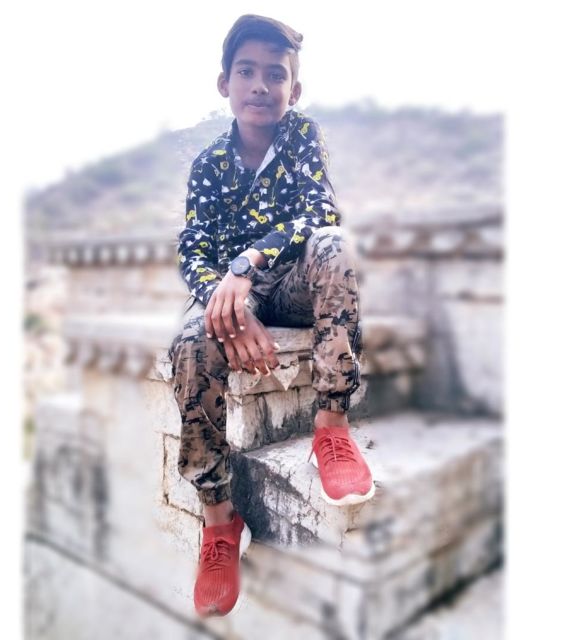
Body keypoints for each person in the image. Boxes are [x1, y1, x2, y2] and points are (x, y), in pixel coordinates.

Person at [169, 14, 374, 617]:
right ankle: (219, 518)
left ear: (294, 89)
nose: (261, 85)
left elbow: (319, 213)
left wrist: (247, 263)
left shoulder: (302, 136)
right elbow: (192, 248)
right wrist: (225, 303)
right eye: (247, 72)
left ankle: (331, 426)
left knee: (336, 246)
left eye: (275, 75)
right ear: (225, 83)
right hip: (235, 294)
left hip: (288, 280)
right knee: (190, 343)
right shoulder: (209, 165)